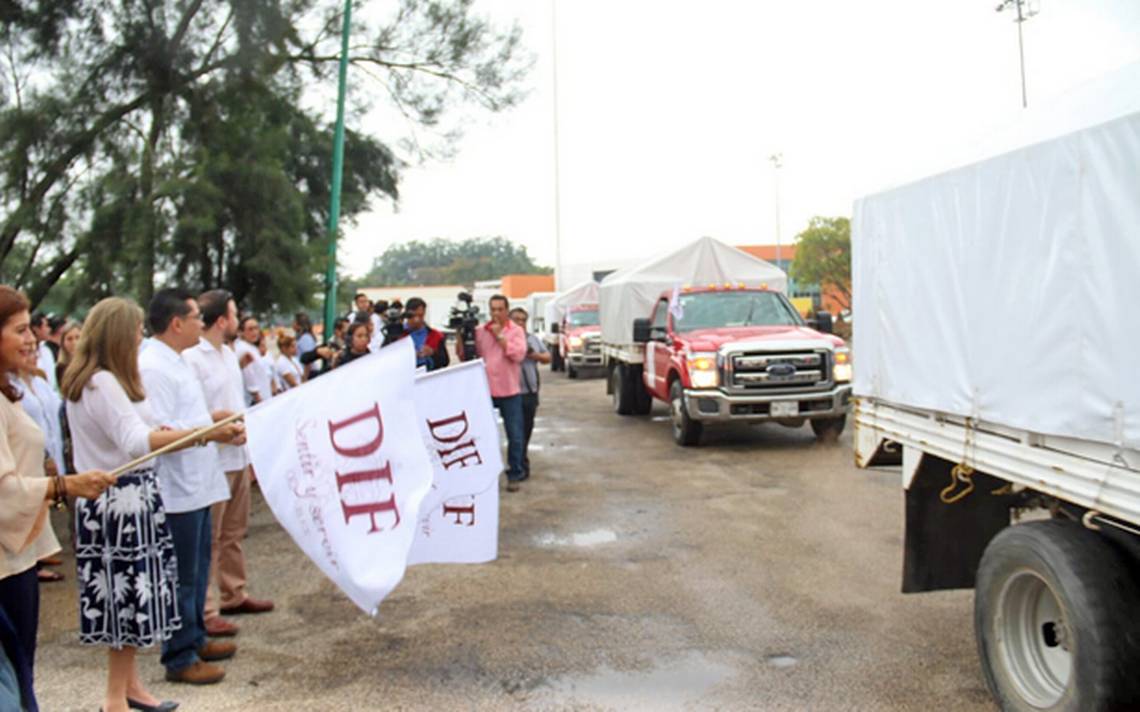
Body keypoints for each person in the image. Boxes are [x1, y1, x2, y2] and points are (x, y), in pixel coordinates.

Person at [0, 287, 118, 712]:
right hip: (5, 563)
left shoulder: (11, 390)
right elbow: (4, 490)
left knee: (21, 670)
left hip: (19, 555)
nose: (32, 338)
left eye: (31, 327)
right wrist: (66, 486)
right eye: (19, 329)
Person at [138, 288, 244, 686]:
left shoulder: (177, 361)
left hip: (198, 481)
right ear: (176, 323)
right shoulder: (153, 367)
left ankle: (195, 637)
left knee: (198, 570)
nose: (203, 322)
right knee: (182, 576)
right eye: (196, 316)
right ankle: (179, 654)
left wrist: (216, 421)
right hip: (177, 487)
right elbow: (163, 430)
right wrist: (212, 432)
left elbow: (191, 417)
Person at [184, 291, 274, 641]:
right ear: (222, 319)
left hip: (237, 456)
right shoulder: (194, 358)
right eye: (234, 314)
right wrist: (218, 424)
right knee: (211, 537)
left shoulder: (229, 354)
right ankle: (207, 611)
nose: (238, 320)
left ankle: (234, 592)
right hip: (212, 459)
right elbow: (190, 413)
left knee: (234, 531)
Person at [456, 294, 527, 492]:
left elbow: (518, 354)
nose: (496, 313)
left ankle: (514, 473)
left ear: (506, 310)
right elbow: (465, 356)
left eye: (499, 309)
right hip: (486, 391)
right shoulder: (481, 331)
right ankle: (487, 474)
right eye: (493, 309)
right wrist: (461, 335)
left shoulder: (516, 331)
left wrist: (500, 336)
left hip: (510, 390)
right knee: (484, 435)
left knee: (515, 435)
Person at [510, 307, 550, 480]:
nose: (520, 323)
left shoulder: (532, 339)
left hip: (530, 391)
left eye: (523, 320)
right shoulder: (506, 340)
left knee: (526, 429)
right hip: (511, 391)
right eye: (516, 320)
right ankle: (518, 466)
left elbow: (547, 357)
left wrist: (533, 355)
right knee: (515, 432)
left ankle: (521, 458)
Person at [403, 297, 449, 371]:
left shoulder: (435, 335)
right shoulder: (397, 335)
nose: (417, 320)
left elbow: (445, 362)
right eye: (413, 316)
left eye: (420, 316)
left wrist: (433, 353)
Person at [233, 317, 271, 405]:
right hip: (256, 402)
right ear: (241, 332)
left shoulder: (252, 347)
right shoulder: (243, 349)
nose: (254, 332)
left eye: (256, 328)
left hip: (264, 396)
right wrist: (259, 400)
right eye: (250, 329)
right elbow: (249, 378)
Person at [54, 320, 81, 387]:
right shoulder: (61, 368)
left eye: (77, 337)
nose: (74, 343)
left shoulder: (91, 363)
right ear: (63, 342)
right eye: (69, 339)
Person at [292, 313, 317, 379]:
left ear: (299, 325)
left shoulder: (305, 338)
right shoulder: (301, 337)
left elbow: (308, 360)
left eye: (294, 322)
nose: (292, 324)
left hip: (308, 374)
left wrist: (304, 379)